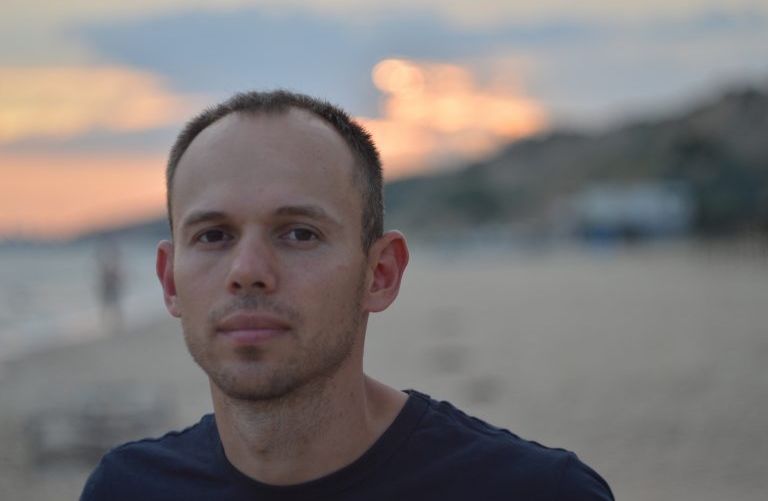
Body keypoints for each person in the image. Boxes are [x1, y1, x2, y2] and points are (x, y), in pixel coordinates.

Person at [80, 90, 613, 500]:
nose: (247, 272)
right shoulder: (126, 489)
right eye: (213, 235)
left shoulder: (538, 492)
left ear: (380, 274)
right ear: (170, 281)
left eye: (299, 233)